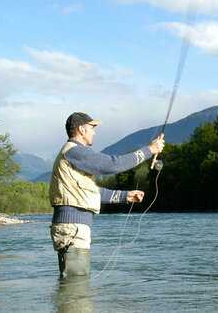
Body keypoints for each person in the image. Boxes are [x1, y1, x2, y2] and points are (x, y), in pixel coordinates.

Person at [49, 112, 165, 278]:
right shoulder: (75, 152)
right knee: (75, 286)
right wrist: (149, 151)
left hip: (73, 227)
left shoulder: (74, 155)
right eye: (92, 128)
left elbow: (92, 192)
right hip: (72, 228)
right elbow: (113, 164)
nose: (94, 132)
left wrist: (126, 196)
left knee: (76, 285)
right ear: (82, 129)